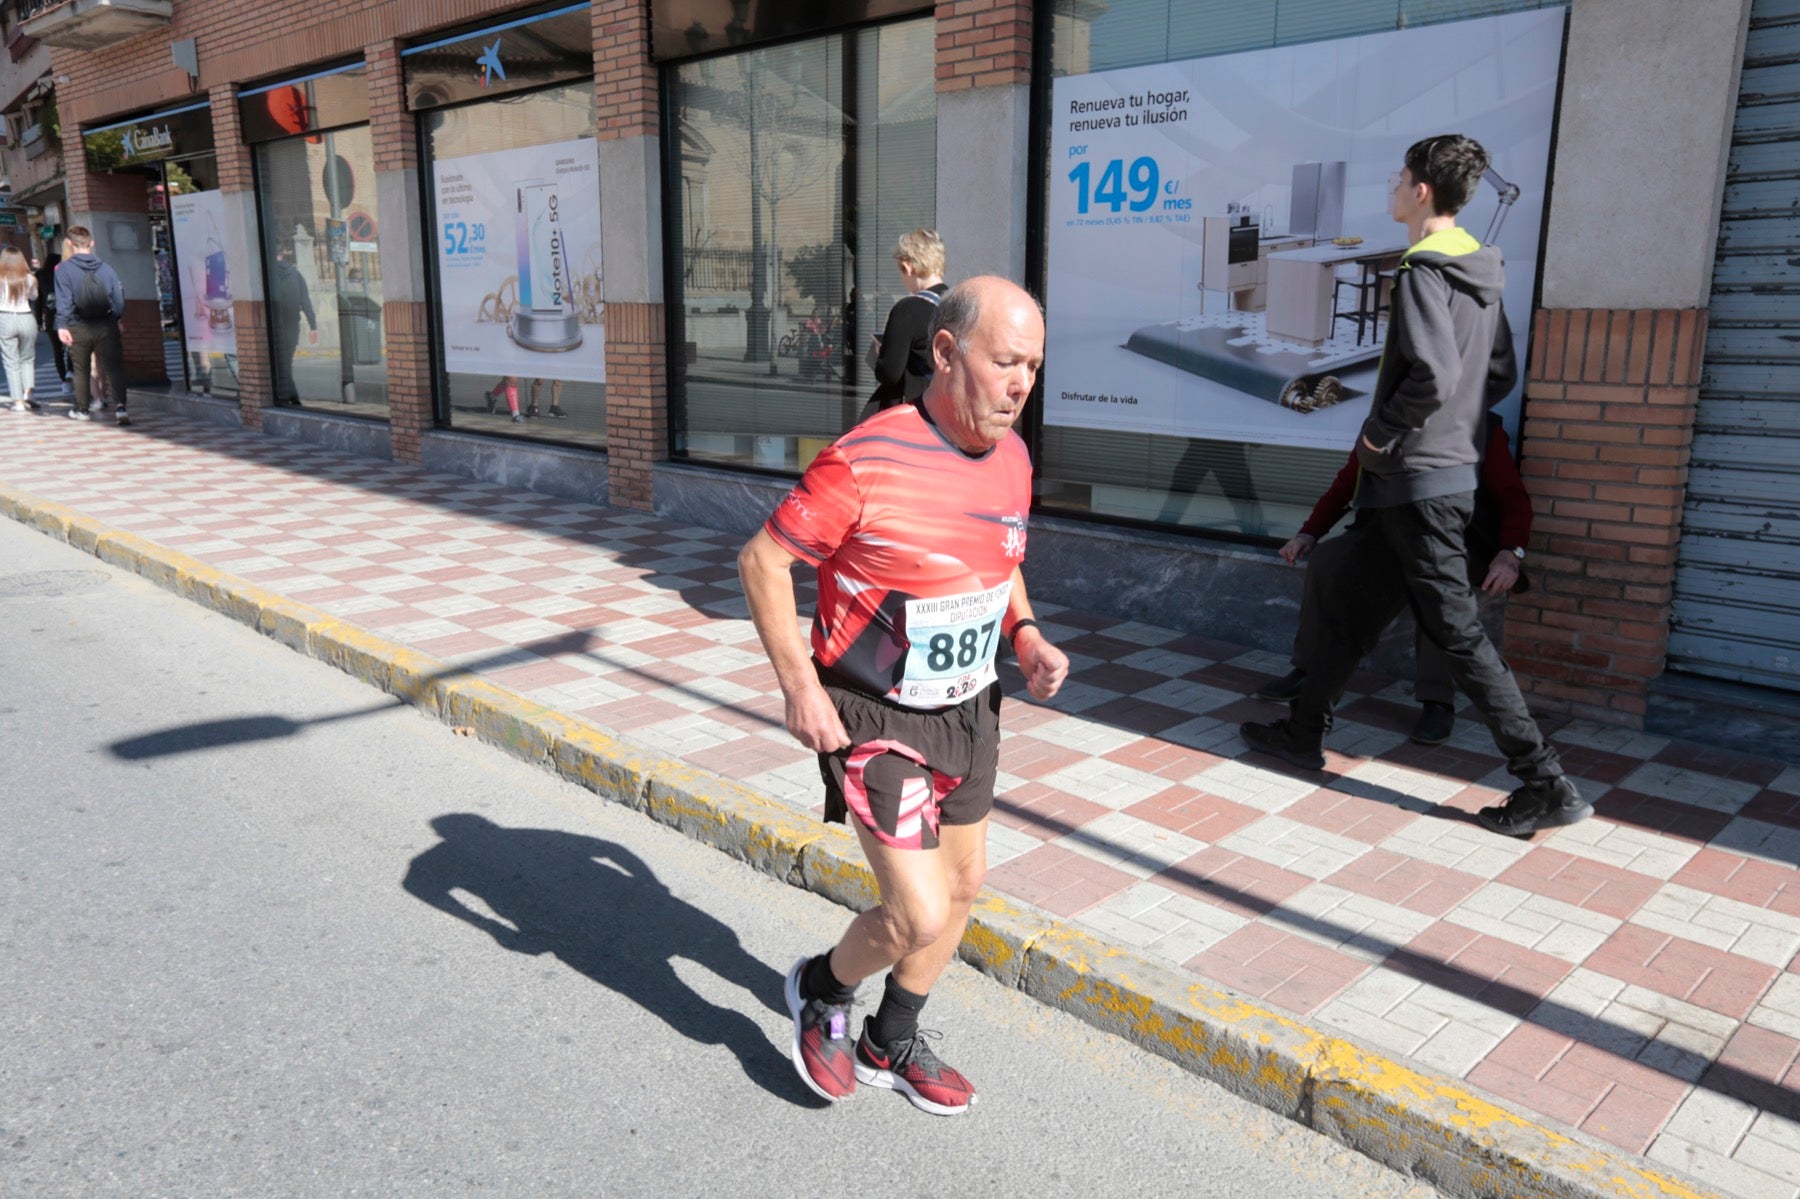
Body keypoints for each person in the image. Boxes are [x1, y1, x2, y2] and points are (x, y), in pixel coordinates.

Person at [739, 276, 1068, 1115]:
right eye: (1006, 361)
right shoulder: (866, 458)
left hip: (970, 707)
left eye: (1032, 363)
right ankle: (819, 987)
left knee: (963, 891)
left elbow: (1001, 556)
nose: (1022, 382)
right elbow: (763, 561)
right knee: (918, 910)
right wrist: (798, 688)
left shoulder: (1015, 459)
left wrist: (1024, 633)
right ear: (948, 354)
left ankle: (892, 1036)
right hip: (875, 710)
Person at [1238, 134, 1588, 839]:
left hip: (1417, 478)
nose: (1393, 187)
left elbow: (1430, 375)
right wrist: (1451, 429)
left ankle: (1546, 782)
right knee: (1353, 610)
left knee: (1459, 636)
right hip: (1421, 481)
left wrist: (1379, 436)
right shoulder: (1483, 271)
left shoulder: (1423, 269)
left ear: (1422, 191)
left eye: (1400, 178)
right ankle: (1304, 732)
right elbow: (1497, 375)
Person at [1256, 413, 1532, 745]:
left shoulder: (1482, 428)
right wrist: (1309, 532)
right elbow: (1347, 482)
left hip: (1450, 542)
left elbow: (1513, 497)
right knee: (1328, 559)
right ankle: (1307, 671)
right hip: (1382, 534)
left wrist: (1510, 553)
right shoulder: (1381, 423)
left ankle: (1438, 703)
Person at [860, 228, 948, 421]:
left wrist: (880, 352)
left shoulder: (907, 309)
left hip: (915, 412)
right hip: (947, 410)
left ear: (908, 266)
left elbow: (889, 374)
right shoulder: (957, 304)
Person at [54, 226, 129, 425]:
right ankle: (121, 408)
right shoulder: (107, 268)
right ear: (92, 243)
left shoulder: (63, 270)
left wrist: (62, 325)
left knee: (81, 368)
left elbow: (64, 300)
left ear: (70, 244)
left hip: (78, 325)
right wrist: (116, 319)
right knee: (114, 368)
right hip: (106, 324)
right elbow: (119, 299)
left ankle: (83, 409)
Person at [268, 245, 318, 407]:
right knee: (285, 362)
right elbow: (306, 303)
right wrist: (313, 326)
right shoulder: (296, 275)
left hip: (275, 325)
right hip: (292, 327)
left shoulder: (269, 275)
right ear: (283, 254)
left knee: (278, 363)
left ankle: (292, 396)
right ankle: (287, 396)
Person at [0, 248, 40, 413]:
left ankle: (18, 402)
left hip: (5, 318)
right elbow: (34, 297)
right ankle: (28, 394)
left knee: (11, 362)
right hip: (26, 317)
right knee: (27, 358)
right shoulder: (30, 278)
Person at [36, 252, 66, 385]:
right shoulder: (61, 273)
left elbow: (37, 301)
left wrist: (38, 321)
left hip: (49, 317)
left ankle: (64, 380)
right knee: (72, 347)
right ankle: (71, 371)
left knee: (57, 349)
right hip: (65, 314)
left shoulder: (39, 276)